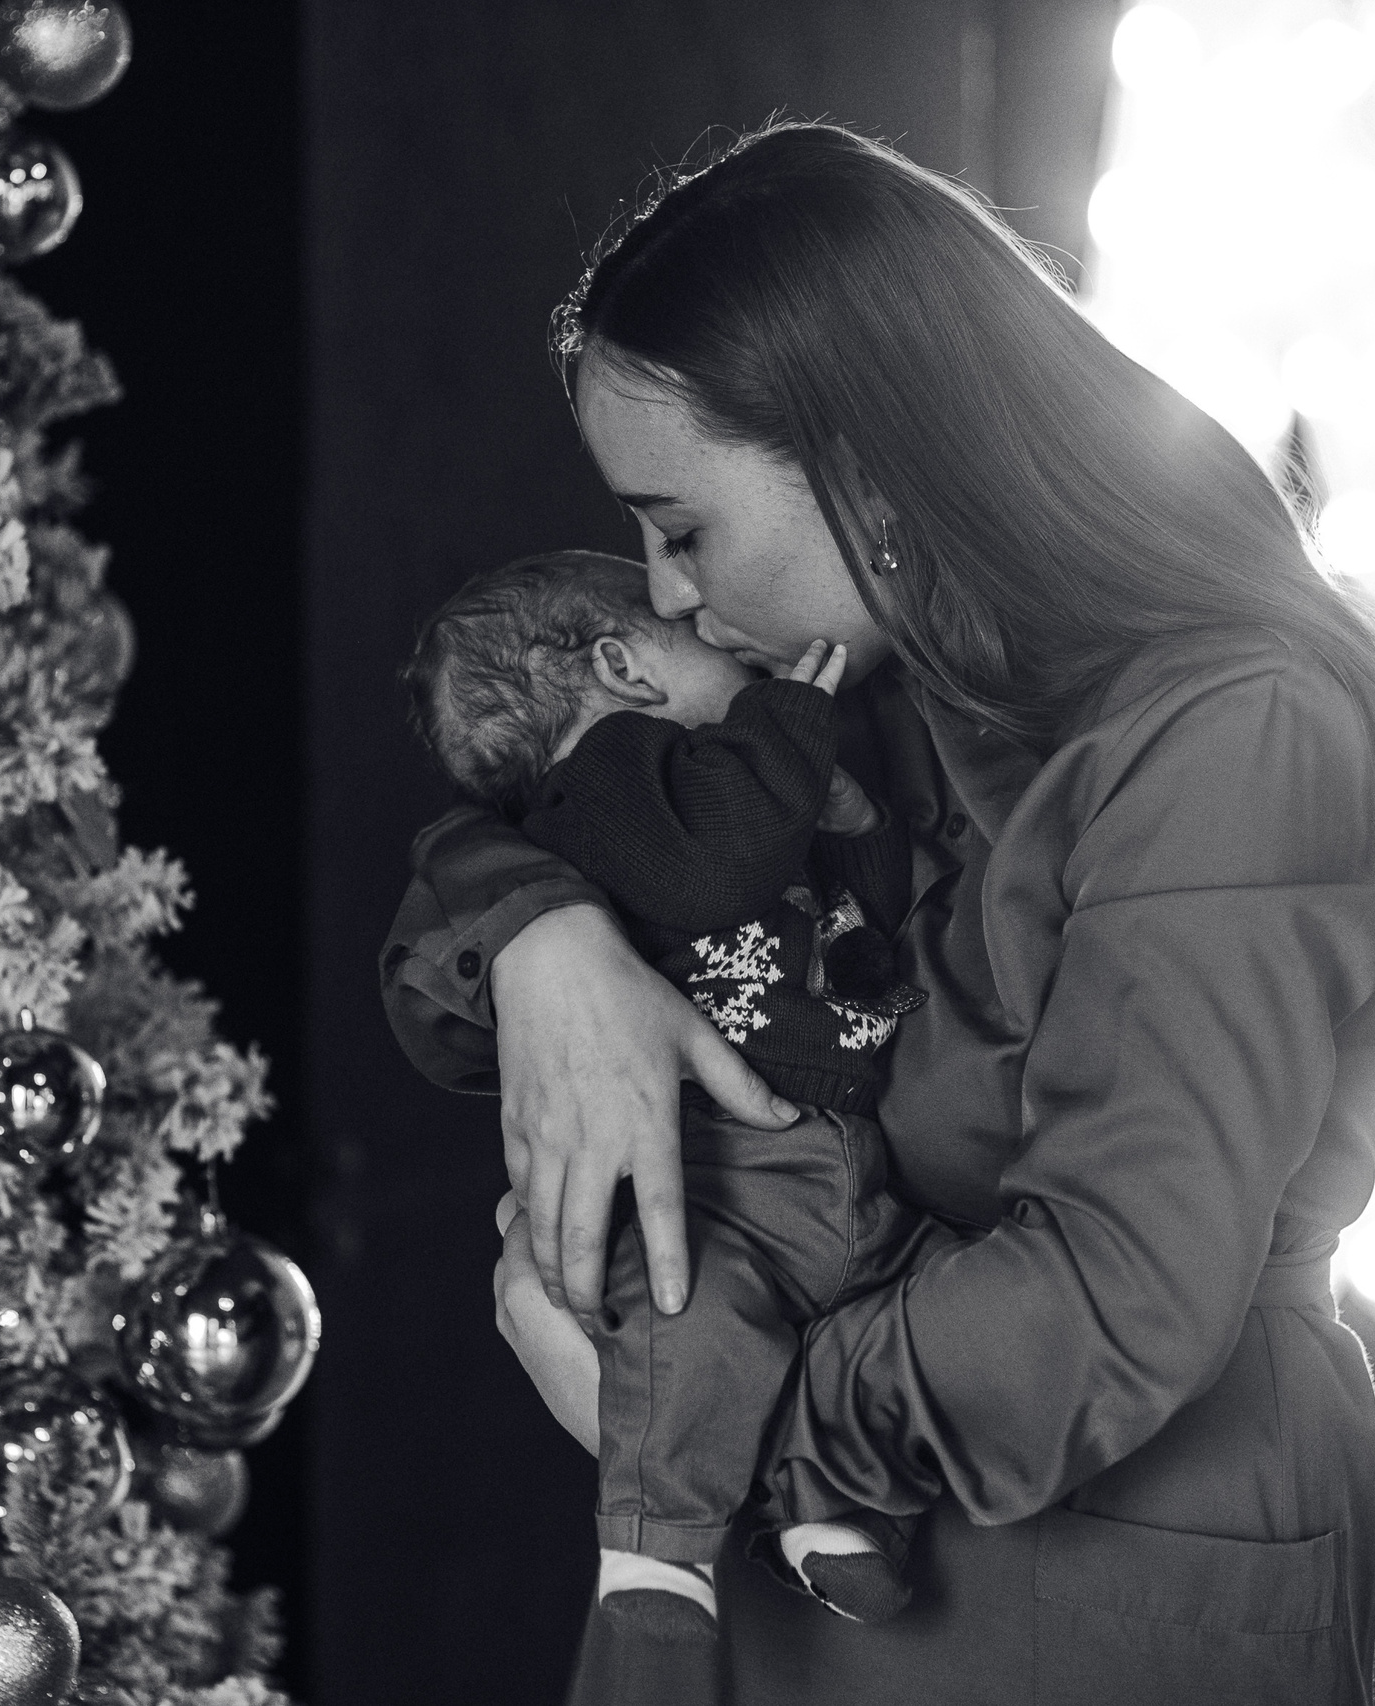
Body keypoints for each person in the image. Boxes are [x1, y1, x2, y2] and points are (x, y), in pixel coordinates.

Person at [380, 123, 1375, 1704]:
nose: (656, 597)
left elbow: (1117, 1299)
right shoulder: (868, 699)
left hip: (1111, 1585)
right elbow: (533, 855)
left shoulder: (1235, 733)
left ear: (866, 450)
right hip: (824, 1579)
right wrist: (538, 943)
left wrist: (705, 1418)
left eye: (684, 526)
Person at [398, 547, 939, 1690]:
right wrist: (789, 712)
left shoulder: (693, 780)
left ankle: (816, 1509)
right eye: (686, 632)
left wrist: (845, 806)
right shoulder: (608, 779)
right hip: (732, 1176)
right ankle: (652, 1580)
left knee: (876, 1310)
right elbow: (712, 877)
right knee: (693, 1325)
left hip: (836, 1163)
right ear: (622, 666)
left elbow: (843, 897)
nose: (717, 625)